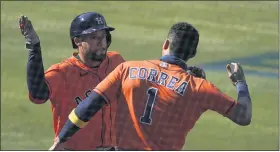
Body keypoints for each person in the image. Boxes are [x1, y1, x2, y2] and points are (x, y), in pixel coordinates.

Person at [50, 22, 252, 150]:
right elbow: (243, 117)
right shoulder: (200, 87)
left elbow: (87, 107)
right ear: (192, 54)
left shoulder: (127, 69)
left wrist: (62, 139)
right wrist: (240, 83)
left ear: (166, 44)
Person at [19, 12, 126, 150]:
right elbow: (38, 96)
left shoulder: (116, 62)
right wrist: (34, 47)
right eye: (94, 37)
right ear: (77, 41)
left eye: (103, 36)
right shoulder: (63, 73)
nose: (101, 42)